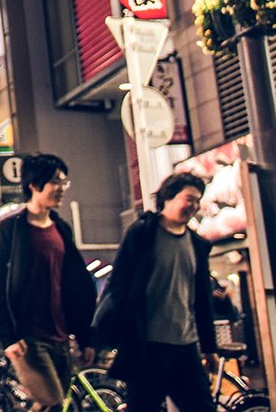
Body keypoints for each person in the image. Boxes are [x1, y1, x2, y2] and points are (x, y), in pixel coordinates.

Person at [96, 172, 216, 412]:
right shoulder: (142, 234)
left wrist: (209, 347)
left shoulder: (196, 244)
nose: (193, 205)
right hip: (147, 346)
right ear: (168, 197)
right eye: (188, 198)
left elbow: (202, 300)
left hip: (186, 345)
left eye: (197, 200)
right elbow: (119, 286)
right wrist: (106, 337)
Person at [0, 153, 96, 411]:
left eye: (63, 181)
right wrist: (8, 337)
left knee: (52, 405)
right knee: (52, 402)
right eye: (55, 181)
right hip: (27, 339)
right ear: (34, 185)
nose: (61, 188)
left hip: (60, 336)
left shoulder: (61, 229)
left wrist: (85, 336)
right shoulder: (11, 230)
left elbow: (74, 286)